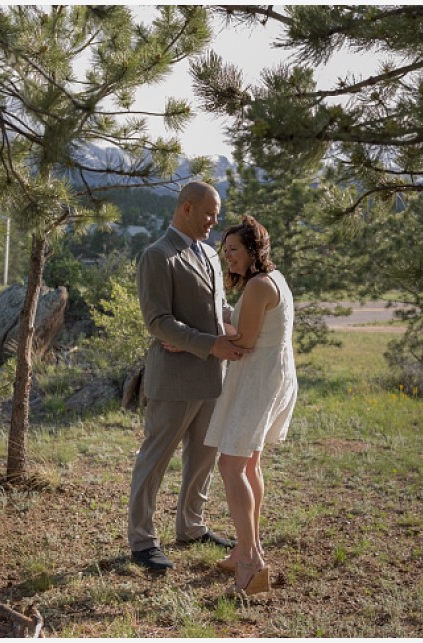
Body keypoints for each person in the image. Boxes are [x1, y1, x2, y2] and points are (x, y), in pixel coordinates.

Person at [129, 181, 251, 572]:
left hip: (213, 377)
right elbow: (158, 322)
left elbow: (219, 310)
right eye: (209, 213)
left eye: (217, 214)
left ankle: (192, 526)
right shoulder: (157, 256)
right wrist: (210, 343)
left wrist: (252, 323)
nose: (215, 221)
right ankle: (143, 540)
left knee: (203, 458)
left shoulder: (210, 256)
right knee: (155, 459)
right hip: (174, 380)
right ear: (186, 207)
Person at [204, 215, 298, 596]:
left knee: (231, 465)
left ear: (254, 250)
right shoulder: (273, 280)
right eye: (225, 251)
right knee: (250, 462)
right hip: (268, 375)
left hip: (259, 380)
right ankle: (246, 546)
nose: (229, 257)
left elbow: (243, 340)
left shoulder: (259, 286)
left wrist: (201, 335)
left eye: (235, 250)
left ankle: (251, 565)